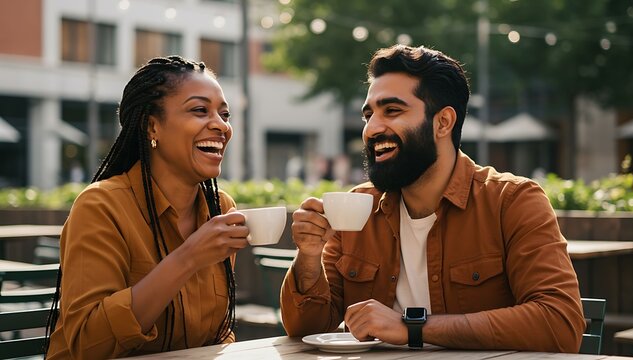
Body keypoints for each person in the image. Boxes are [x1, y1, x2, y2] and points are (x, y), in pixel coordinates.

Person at [280, 45, 584, 352]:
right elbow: (308, 331)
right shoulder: (357, 209)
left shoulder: (512, 201)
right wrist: (308, 256)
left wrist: (411, 328)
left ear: (443, 123)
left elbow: (560, 324)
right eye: (368, 115)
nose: (372, 128)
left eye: (393, 111)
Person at [45, 56, 249, 358]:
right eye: (199, 110)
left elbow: (216, 334)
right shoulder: (100, 207)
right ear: (152, 126)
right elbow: (87, 345)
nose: (221, 126)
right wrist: (187, 258)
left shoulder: (219, 208)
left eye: (225, 114)